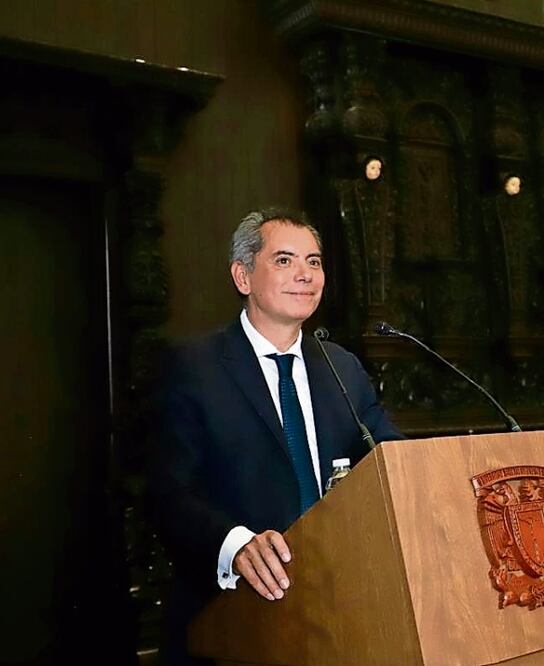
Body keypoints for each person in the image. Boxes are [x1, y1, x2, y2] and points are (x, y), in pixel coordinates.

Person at [150, 208, 403, 665]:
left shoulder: (342, 367)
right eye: (285, 260)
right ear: (243, 276)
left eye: (314, 261)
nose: (305, 274)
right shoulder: (194, 368)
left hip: (336, 612)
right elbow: (167, 492)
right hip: (232, 617)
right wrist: (235, 544)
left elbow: (392, 459)